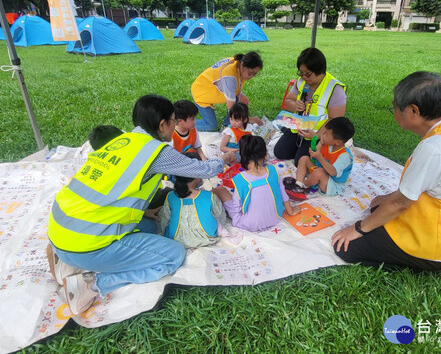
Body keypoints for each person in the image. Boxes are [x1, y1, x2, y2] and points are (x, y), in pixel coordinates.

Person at [46, 94, 236, 315]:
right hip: (85, 243)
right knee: (173, 255)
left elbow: (111, 190)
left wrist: (145, 211)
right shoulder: (156, 151)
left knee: (152, 228)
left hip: (61, 230)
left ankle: (65, 262)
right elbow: (203, 170)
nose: (175, 125)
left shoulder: (122, 140)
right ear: (162, 124)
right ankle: (92, 284)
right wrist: (224, 159)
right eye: (173, 120)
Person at [331, 72, 441, 276]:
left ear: (413, 110)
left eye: (395, 108)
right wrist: (388, 199)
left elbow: (400, 204)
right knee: (376, 208)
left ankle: (439, 266)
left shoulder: (434, 148)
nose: (394, 113)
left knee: (345, 247)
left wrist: (358, 229)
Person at [274, 47, 347, 166]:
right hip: (298, 128)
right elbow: (289, 100)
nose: (304, 77)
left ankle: (316, 150)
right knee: (279, 152)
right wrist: (295, 105)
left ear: (320, 70)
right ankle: (301, 148)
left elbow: (336, 121)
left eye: (307, 74)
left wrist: (317, 136)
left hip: (319, 134)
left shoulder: (335, 89)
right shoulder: (301, 81)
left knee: (300, 162)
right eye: (301, 73)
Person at [214, 135, 300, 232]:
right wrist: (290, 211)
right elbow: (283, 193)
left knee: (219, 190)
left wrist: (236, 221)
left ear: (242, 156)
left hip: (249, 224)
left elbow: (236, 206)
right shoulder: (273, 170)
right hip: (275, 217)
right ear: (265, 155)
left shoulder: (239, 178)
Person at [159, 152, 225, 248]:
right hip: (206, 237)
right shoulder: (209, 196)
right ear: (197, 174)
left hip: (175, 238)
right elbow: (221, 219)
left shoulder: (170, 196)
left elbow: (163, 221)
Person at [191, 51, 264, 131]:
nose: (251, 76)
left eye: (255, 74)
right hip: (201, 93)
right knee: (211, 125)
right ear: (242, 64)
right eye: (250, 73)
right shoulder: (229, 77)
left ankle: (227, 125)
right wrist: (248, 119)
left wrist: (240, 94)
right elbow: (231, 107)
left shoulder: (237, 62)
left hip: (208, 88)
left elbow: (233, 85)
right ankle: (181, 124)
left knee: (237, 102)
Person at [295, 117, 354, 196]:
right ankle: (298, 184)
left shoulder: (345, 156)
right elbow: (313, 158)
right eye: (324, 132)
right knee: (304, 158)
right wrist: (320, 145)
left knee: (319, 172)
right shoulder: (328, 144)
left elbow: (332, 172)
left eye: (326, 134)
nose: (322, 135)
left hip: (332, 184)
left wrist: (320, 157)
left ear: (338, 142)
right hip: (319, 173)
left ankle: (303, 187)